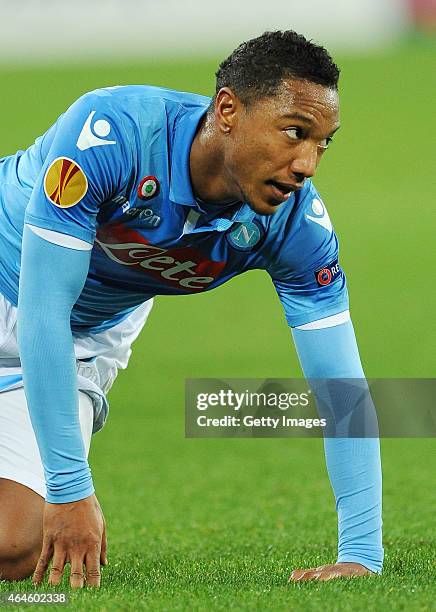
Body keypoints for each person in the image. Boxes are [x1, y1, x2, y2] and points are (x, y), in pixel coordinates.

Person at [0, 30, 383, 588]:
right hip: (37, 303)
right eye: (294, 133)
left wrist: (361, 552)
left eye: (323, 143)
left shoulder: (295, 225)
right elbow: (43, 307)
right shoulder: (115, 131)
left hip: (83, 338)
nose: (307, 165)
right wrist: (69, 484)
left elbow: (340, 386)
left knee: (17, 547)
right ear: (227, 109)